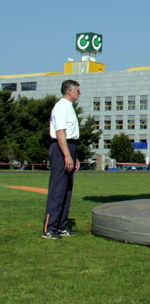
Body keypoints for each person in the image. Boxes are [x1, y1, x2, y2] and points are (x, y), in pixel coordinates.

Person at [42, 80, 81, 239]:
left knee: (67, 189)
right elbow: (60, 133)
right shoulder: (61, 107)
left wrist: (74, 157)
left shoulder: (69, 107)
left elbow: (71, 135)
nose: (79, 93)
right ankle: (49, 227)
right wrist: (66, 155)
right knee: (57, 189)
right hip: (60, 148)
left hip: (70, 146)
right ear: (69, 91)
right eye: (78, 90)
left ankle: (61, 225)